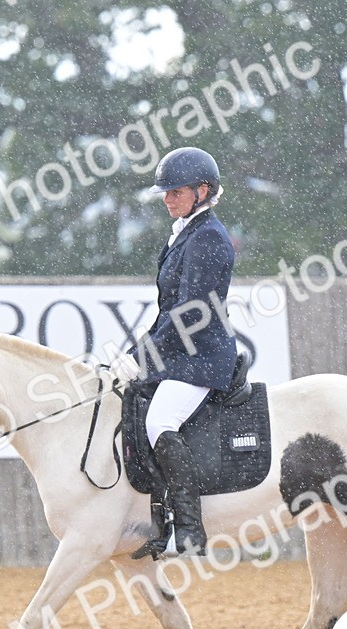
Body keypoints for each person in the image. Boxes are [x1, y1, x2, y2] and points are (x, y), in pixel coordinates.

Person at [112, 147, 238, 559]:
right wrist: (136, 354)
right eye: (165, 192)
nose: (168, 199)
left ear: (203, 191)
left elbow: (188, 315)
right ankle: (157, 518)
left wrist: (142, 358)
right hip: (180, 355)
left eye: (176, 192)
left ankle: (189, 529)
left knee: (160, 420)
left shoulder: (208, 238)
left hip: (202, 358)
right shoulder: (186, 232)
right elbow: (167, 314)